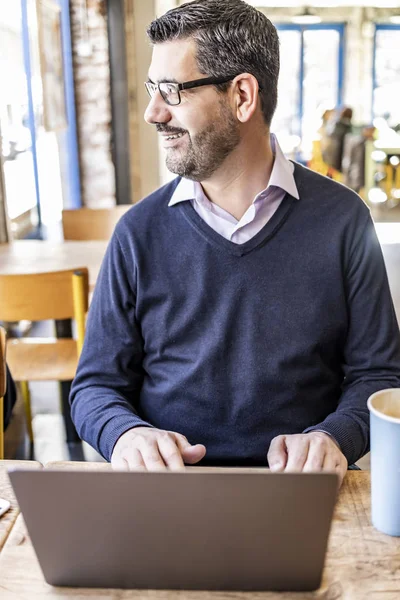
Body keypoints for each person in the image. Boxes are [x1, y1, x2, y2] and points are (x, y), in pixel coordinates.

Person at [70, 0, 400, 485]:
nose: (151, 113)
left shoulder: (344, 220)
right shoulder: (137, 232)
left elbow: (380, 376)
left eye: (171, 91)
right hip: (169, 495)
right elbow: (95, 386)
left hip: (301, 493)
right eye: (151, 89)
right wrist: (125, 435)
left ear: (243, 95)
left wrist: (334, 437)